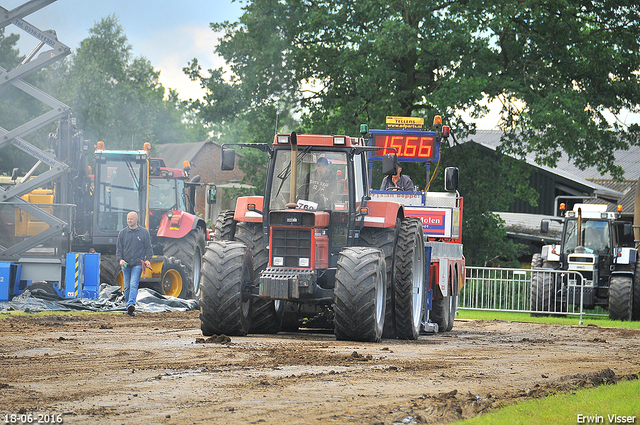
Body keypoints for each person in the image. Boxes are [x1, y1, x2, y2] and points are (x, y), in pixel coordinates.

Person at [116, 211, 153, 316]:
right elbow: (119, 249)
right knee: (126, 286)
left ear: (136, 220)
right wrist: (120, 260)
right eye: (128, 219)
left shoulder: (144, 233)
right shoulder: (122, 233)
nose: (129, 221)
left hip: (138, 264)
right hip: (126, 264)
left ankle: (131, 304)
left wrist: (147, 260)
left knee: (133, 284)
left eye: (131, 219)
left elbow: (148, 248)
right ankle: (129, 307)